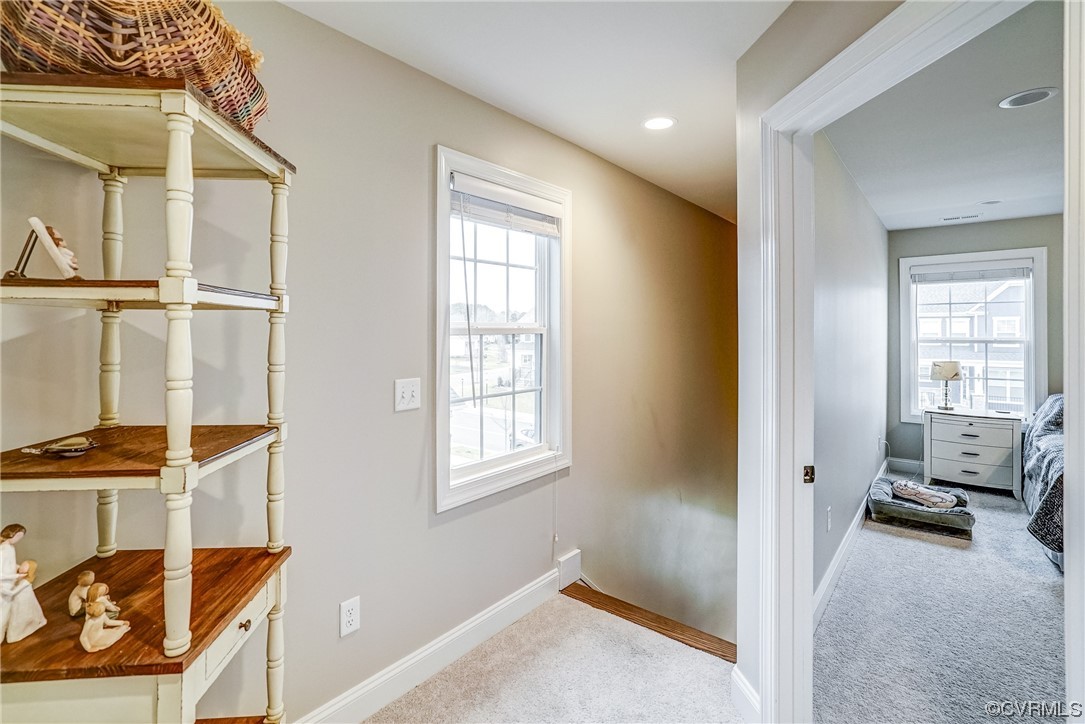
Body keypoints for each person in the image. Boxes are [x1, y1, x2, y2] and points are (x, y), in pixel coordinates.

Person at [0, 523, 47, 644]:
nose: (19, 539)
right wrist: (16, 575)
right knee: (2, 613)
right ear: (11, 534)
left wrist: (18, 569)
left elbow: (10, 566)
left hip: (10, 585)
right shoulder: (2, 551)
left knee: (6, 613)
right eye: (18, 536)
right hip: (4, 585)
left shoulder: (10, 549)